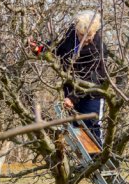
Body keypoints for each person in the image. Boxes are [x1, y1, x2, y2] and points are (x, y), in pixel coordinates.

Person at [30, 11, 107, 145]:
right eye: (82, 35)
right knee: (77, 130)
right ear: (77, 30)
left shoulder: (98, 49)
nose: (86, 39)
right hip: (71, 89)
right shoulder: (71, 35)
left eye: (89, 35)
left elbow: (91, 79)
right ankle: (86, 164)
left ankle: (99, 163)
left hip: (92, 95)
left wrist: (72, 98)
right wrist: (39, 49)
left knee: (91, 131)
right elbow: (57, 48)